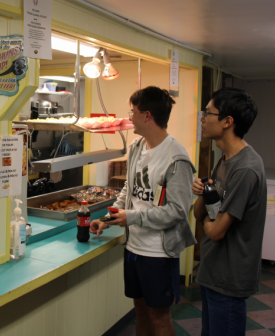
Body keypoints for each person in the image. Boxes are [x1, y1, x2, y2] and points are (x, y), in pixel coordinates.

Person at [90, 86, 197, 336]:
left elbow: (177, 211)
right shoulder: (138, 146)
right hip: (134, 248)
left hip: (158, 253)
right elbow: (131, 187)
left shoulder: (176, 158)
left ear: (147, 115)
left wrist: (133, 217)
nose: (130, 118)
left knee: (159, 316)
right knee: (140, 309)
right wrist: (110, 217)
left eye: (133, 112)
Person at [192, 87, 266, 336]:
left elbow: (216, 232)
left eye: (208, 113)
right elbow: (198, 212)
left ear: (227, 121)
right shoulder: (225, 159)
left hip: (229, 278)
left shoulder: (246, 168)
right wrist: (203, 193)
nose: (203, 119)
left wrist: (205, 216)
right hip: (213, 271)